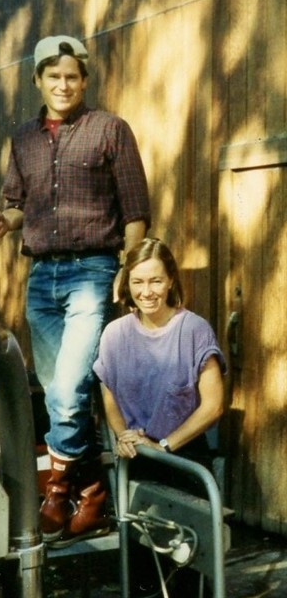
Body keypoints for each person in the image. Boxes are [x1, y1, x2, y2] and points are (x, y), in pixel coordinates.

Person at [0, 35, 151, 546]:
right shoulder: (24, 139)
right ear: (37, 80)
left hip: (91, 272)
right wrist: (2, 221)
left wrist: (124, 266)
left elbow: (136, 211)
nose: (63, 84)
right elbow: (17, 205)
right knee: (63, 392)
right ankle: (92, 487)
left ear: (84, 80)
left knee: (66, 389)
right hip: (41, 280)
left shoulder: (110, 130)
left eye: (72, 76)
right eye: (53, 76)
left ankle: (58, 491)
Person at [93, 237, 226, 596]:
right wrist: (122, 435)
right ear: (127, 284)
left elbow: (213, 405)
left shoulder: (194, 329)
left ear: (170, 281)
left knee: (187, 571)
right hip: (137, 463)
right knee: (141, 571)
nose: (147, 291)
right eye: (138, 282)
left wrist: (164, 445)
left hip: (183, 460)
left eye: (155, 281)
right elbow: (109, 393)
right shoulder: (114, 334)